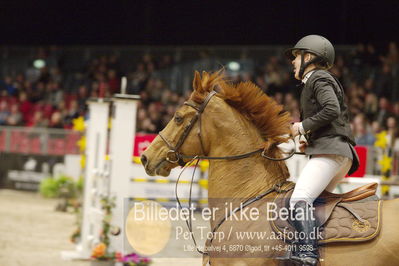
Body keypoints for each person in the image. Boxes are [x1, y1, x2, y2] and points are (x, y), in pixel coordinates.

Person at [285, 35, 360, 265]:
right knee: (316, 203)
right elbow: (330, 117)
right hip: (335, 150)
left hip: (332, 151)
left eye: (297, 56)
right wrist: (310, 137)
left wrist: (301, 127)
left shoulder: (318, 77)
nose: (293, 61)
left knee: (299, 200)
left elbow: (331, 109)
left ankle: (307, 254)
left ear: (309, 57)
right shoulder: (315, 80)